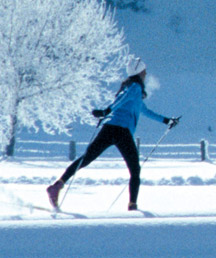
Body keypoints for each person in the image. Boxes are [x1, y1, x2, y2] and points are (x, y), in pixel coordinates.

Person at [48, 65, 179, 211]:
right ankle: (132, 206)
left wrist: (167, 121)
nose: (146, 73)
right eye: (144, 70)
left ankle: (57, 186)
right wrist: (106, 111)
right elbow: (122, 101)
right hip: (121, 131)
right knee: (135, 170)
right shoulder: (135, 87)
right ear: (139, 72)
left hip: (109, 128)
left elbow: (145, 111)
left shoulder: (130, 89)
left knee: (85, 159)